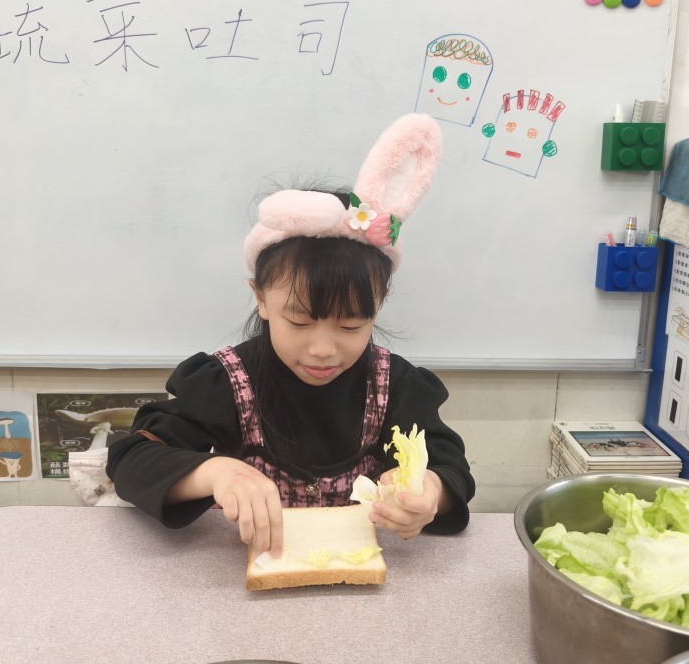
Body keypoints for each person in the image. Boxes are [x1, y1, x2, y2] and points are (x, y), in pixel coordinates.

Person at [106, 113, 474, 558]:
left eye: (351, 326)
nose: (322, 349)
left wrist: (429, 491)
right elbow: (131, 459)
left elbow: (451, 468)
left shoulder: (394, 384)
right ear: (261, 299)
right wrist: (217, 473)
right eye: (299, 322)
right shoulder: (226, 382)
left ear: (378, 305)